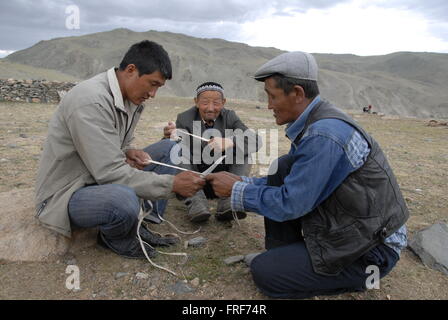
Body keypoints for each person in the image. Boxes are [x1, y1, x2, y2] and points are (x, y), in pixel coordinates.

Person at [206, 51, 409, 299]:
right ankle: (285, 254)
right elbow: (296, 183)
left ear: (298, 94)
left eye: (272, 96)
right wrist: (240, 182)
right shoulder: (317, 121)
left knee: (265, 273)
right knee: (282, 167)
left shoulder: (324, 135)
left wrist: (236, 191)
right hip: (352, 232)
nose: (269, 105)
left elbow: (291, 202)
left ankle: (355, 279)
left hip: (372, 252)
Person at [34, 40, 206, 259]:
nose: (153, 94)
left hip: (94, 177)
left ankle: (140, 223)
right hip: (66, 193)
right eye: (152, 84)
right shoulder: (90, 101)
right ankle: (116, 237)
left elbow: (110, 144)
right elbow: (110, 172)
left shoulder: (129, 98)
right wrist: (172, 184)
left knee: (169, 148)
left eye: (158, 88)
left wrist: (127, 150)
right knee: (123, 198)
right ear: (131, 70)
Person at [162, 82, 262, 223]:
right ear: (196, 102)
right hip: (196, 180)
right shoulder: (184, 118)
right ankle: (196, 203)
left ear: (224, 103)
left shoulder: (230, 117)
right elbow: (170, 149)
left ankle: (229, 201)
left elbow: (256, 140)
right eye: (204, 103)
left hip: (223, 179)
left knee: (245, 153)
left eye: (216, 103)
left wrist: (231, 141)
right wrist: (168, 136)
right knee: (177, 151)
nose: (210, 108)